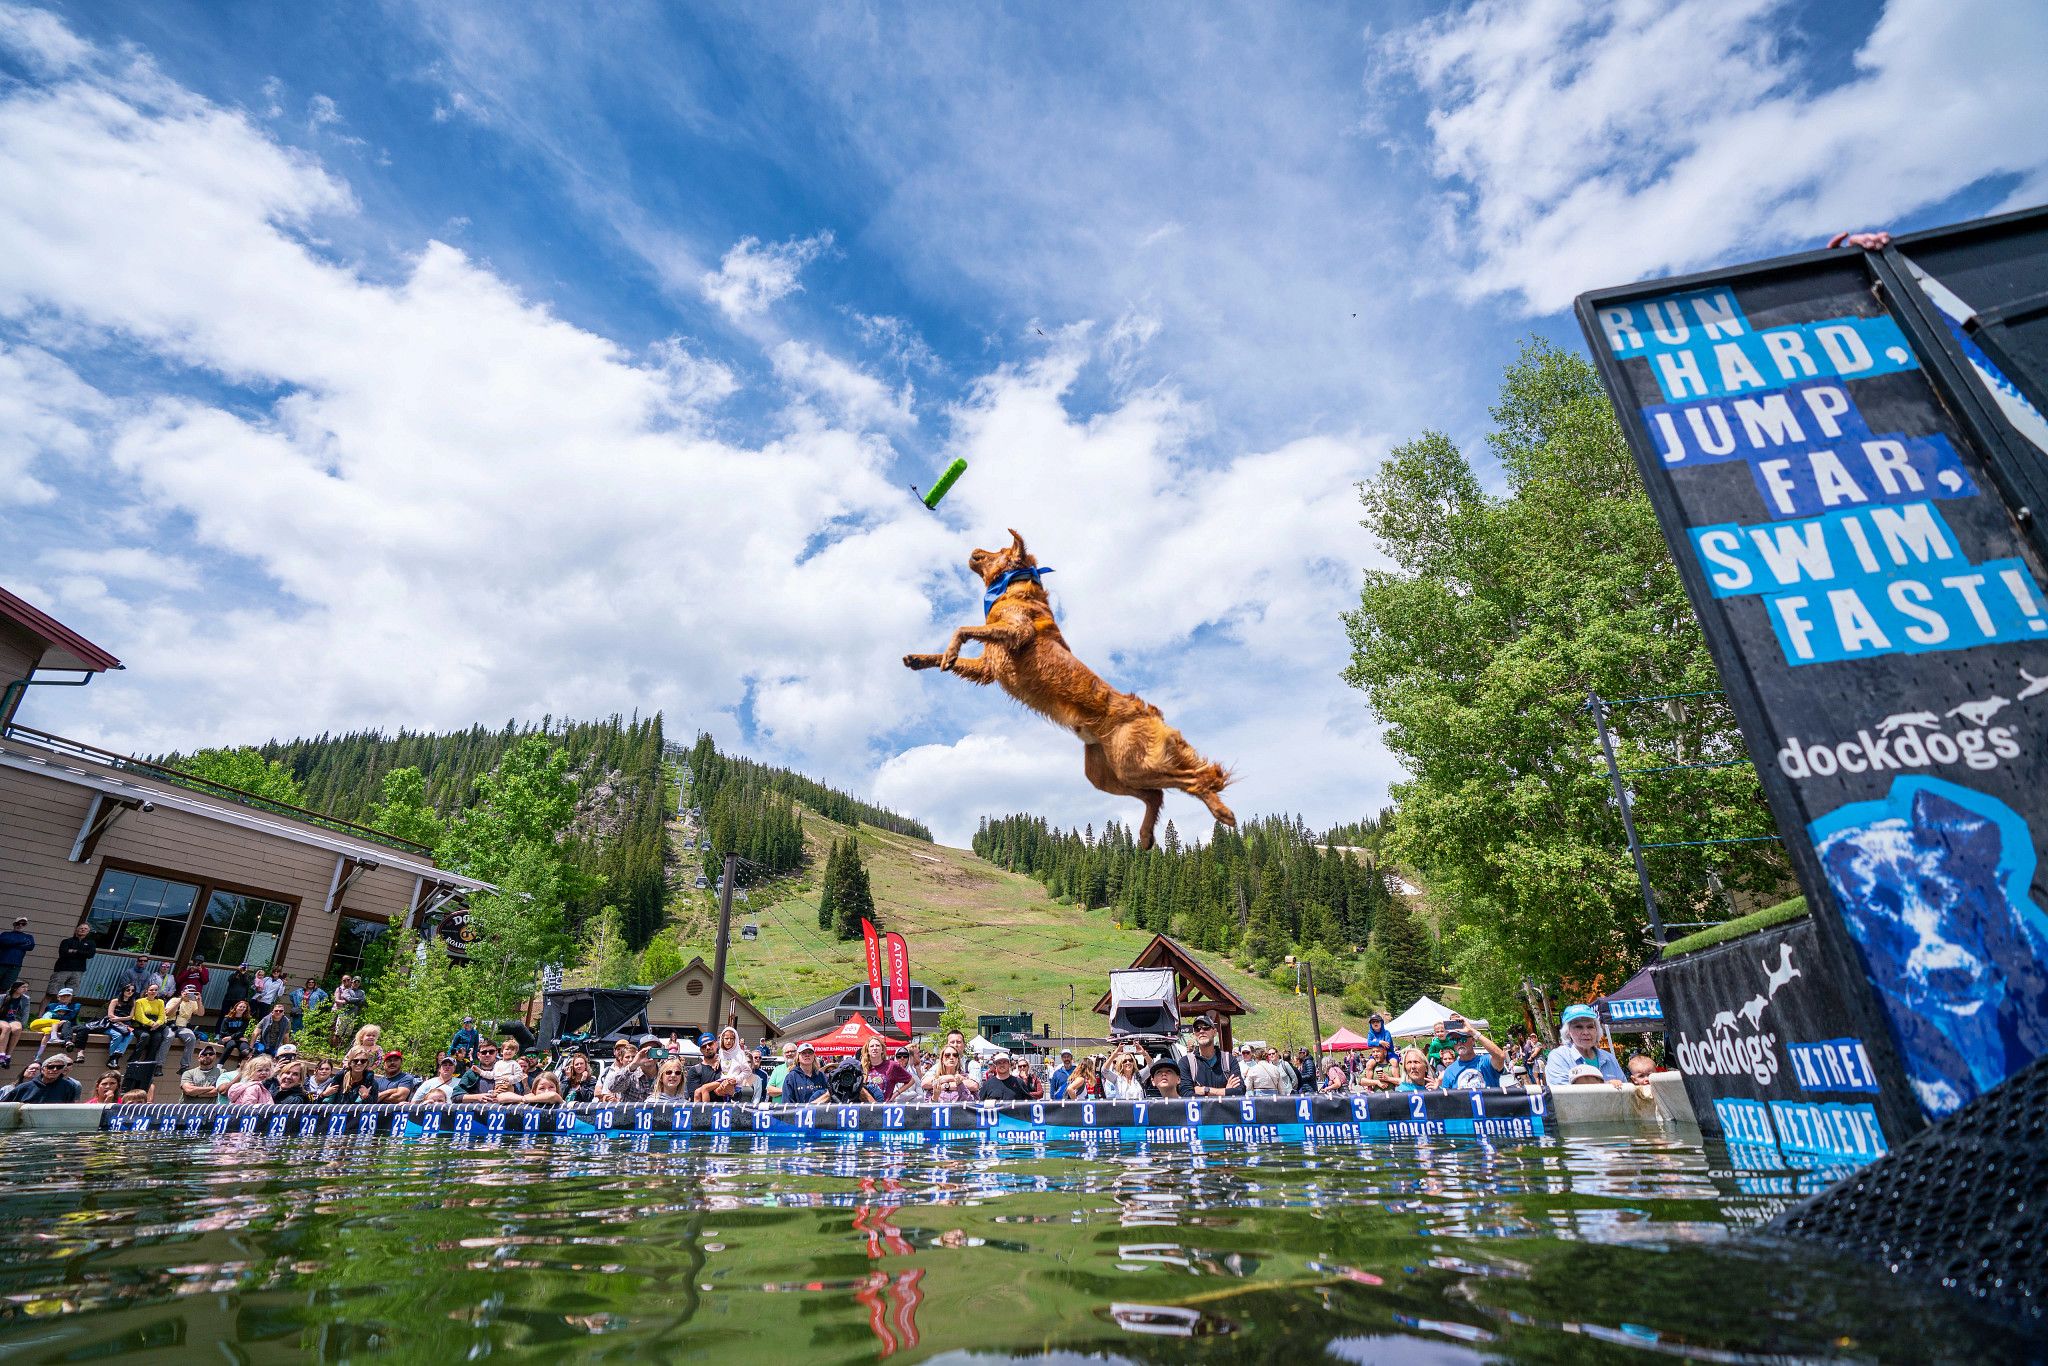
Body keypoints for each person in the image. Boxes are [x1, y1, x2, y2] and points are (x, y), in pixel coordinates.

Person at [1544, 1005, 1627, 1089]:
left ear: (1597, 1030)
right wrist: (1606, 1085)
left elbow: (1625, 1091)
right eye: (1578, 1027)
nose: (1586, 1032)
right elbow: (1562, 1093)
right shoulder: (1558, 1057)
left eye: (1590, 1027)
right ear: (1568, 1031)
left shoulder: (1609, 1058)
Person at [1178, 1016, 1243, 1098]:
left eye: (1206, 1028)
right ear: (1194, 1035)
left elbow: (1240, 1091)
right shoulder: (1186, 1062)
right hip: (1201, 1111)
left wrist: (1205, 1090)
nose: (1201, 1031)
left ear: (1214, 1032)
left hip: (1225, 1110)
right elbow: (1185, 1093)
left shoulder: (1229, 1059)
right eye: (1197, 1029)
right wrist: (1225, 1092)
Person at [1435, 1021, 1511, 1090]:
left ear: (1473, 1040)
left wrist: (1472, 1031)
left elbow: (1500, 1056)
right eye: (1455, 1040)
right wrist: (1438, 1087)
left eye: (1463, 1039)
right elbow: (1447, 1100)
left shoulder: (1485, 1061)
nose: (1459, 1043)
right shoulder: (1449, 1071)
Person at [160, 985, 205, 1072]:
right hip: (171, 1025)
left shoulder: (193, 1002)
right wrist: (180, 1000)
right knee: (169, 1037)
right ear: (182, 992)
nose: (190, 994)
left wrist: (199, 1001)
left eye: (192, 992)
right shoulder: (174, 1000)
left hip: (183, 1027)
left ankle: (184, 1066)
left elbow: (201, 1014)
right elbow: (168, 1013)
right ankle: (159, 1064)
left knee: (192, 1038)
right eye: (188, 992)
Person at [597, 1038, 653, 1103]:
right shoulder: (612, 1073)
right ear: (621, 1059)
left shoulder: (645, 1072)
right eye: (627, 1057)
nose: (630, 1059)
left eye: (633, 1056)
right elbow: (610, 1090)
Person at [859, 1037, 914, 1102]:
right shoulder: (861, 1067)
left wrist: (896, 1093)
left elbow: (911, 1080)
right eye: (871, 1046)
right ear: (867, 1050)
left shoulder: (892, 1065)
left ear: (882, 1049)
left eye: (877, 1045)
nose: (874, 1048)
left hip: (885, 1108)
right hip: (865, 1108)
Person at [48, 924, 95, 998]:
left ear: (88, 931)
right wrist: (82, 953)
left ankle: (63, 1009)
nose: (83, 930)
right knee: (52, 993)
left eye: (85, 929)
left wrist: (74, 951)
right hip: (63, 969)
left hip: (78, 970)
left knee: (69, 995)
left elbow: (90, 955)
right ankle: (43, 1010)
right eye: (81, 928)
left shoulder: (90, 943)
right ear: (76, 929)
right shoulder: (67, 941)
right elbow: (63, 953)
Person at [14, 1052, 80, 1103]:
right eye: (50, 1067)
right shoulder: (24, 1088)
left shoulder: (68, 1087)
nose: (55, 1069)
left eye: (59, 1067)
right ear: (42, 1070)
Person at [127, 983, 166, 1060]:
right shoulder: (139, 1001)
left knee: (158, 1037)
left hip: (155, 1027)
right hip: (141, 1026)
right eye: (151, 990)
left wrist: (157, 1023)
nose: (153, 992)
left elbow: (162, 1016)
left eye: (156, 990)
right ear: (146, 992)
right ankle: (134, 1059)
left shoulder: (160, 1002)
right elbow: (139, 1016)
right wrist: (151, 1023)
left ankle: (149, 1060)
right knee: (145, 1036)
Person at [0, 979, 31, 1066]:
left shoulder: (26, 999)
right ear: (15, 988)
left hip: (13, 1019)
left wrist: (23, 1024)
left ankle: (8, 1055)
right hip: (1, 1019)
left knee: (18, 1028)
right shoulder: (3, 997)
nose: (25, 989)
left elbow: (26, 1013)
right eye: (23, 987)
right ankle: (1, 1055)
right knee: (6, 1028)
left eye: (27, 987)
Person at [0, 917, 34, 993]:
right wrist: (21, 942)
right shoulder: (5, 934)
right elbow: (3, 941)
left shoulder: (28, 937)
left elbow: (30, 946)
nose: (20, 925)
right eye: (18, 923)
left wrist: (11, 943)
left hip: (15, 966)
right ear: (14, 924)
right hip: (1, 964)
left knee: (5, 987)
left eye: (23, 924)